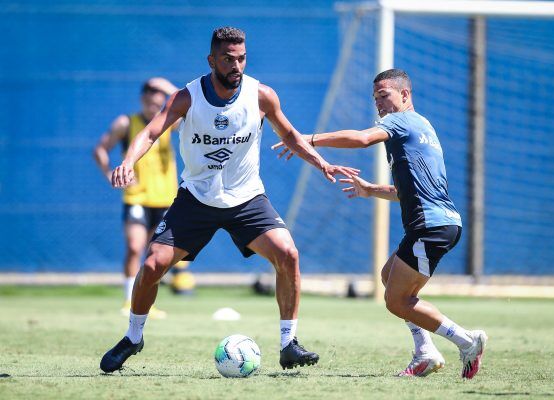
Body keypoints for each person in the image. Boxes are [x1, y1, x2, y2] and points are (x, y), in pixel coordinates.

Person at [99, 27, 358, 373]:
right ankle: (133, 336)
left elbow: (291, 135)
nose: (236, 65)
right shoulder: (186, 98)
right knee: (151, 266)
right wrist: (128, 161)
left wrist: (321, 162)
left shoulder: (261, 95)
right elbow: (149, 131)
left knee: (288, 254)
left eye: (241, 58)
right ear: (212, 60)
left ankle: (288, 344)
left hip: (247, 199)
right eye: (228, 59)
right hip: (196, 199)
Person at [272, 69, 487, 379]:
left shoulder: (399, 122)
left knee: (397, 301)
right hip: (437, 224)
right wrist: (371, 190)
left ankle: (467, 340)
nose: (379, 105)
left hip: (430, 227)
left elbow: (361, 139)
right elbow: (409, 192)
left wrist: (308, 139)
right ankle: (424, 352)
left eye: (384, 96)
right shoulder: (422, 126)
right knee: (389, 276)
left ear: (405, 95)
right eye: (375, 99)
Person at [93, 77, 190, 319]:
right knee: (135, 246)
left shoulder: (170, 122)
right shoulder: (126, 123)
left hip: (165, 199)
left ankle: (147, 303)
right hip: (136, 197)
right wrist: (108, 174)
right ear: (142, 99)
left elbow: (190, 106)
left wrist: (167, 87)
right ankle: (128, 299)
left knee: (155, 255)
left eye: (158, 97)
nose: (153, 102)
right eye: (148, 97)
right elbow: (100, 149)